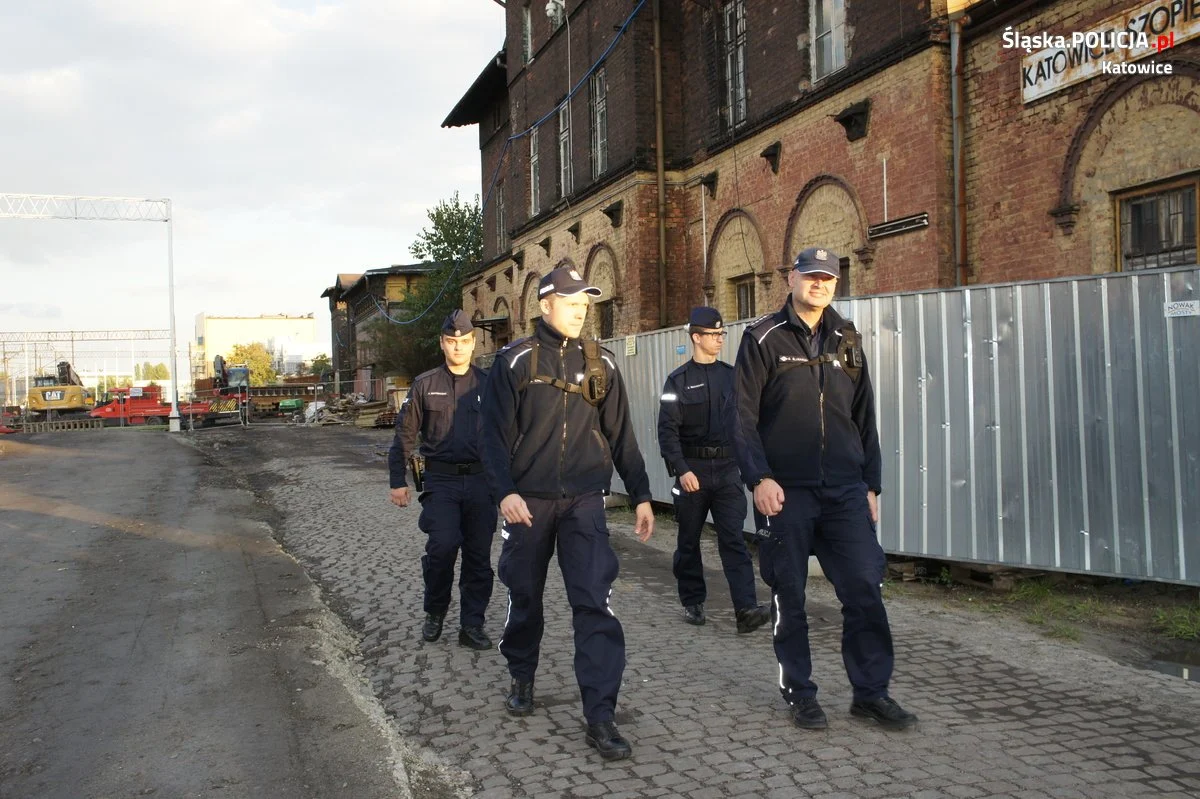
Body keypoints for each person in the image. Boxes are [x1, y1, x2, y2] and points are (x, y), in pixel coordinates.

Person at [731, 247, 918, 731]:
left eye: (828, 278)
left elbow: (864, 416)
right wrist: (759, 478)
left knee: (864, 587)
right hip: (785, 493)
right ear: (791, 277)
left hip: (844, 491)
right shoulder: (762, 339)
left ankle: (871, 692)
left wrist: (871, 484)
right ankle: (800, 692)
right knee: (789, 594)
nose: (819, 284)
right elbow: (742, 420)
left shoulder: (847, 337)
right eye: (810, 276)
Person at [481, 265, 654, 762]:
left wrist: (641, 494)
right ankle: (521, 672)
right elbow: (491, 437)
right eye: (572, 302)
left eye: (585, 304)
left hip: (584, 501)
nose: (581, 312)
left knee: (594, 604)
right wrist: (505, 493)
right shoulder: (514, 362)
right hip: (527, 503)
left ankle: (601, 715)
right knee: (525, 594)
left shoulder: (602, 363)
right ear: (545, 305)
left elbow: (622, 434)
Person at [388, 310, 496, 651]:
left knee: (478, 557)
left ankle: (472, 625)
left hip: (481, 482)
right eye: (452, 342)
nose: (458, 348)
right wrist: (397, 480)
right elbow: (404, 434)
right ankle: (435, 611)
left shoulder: (488, 384)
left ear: (474, 343)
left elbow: (507, 435)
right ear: (442, 343)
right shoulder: (425, 385)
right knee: (443, 547)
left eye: (464, 342)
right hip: (441, 481)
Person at [657, 306, 770, 633]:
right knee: (688, 540)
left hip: (727, 470)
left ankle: (746, 609)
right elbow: (667, 431)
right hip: (692, 471)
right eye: (713, 334)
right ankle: (693, 599)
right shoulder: (676, 381)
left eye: (722, 334)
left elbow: (749, 423)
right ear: (696, 337)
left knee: (734, 540)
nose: (720, 339)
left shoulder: (732, 376)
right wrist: (681, 469)